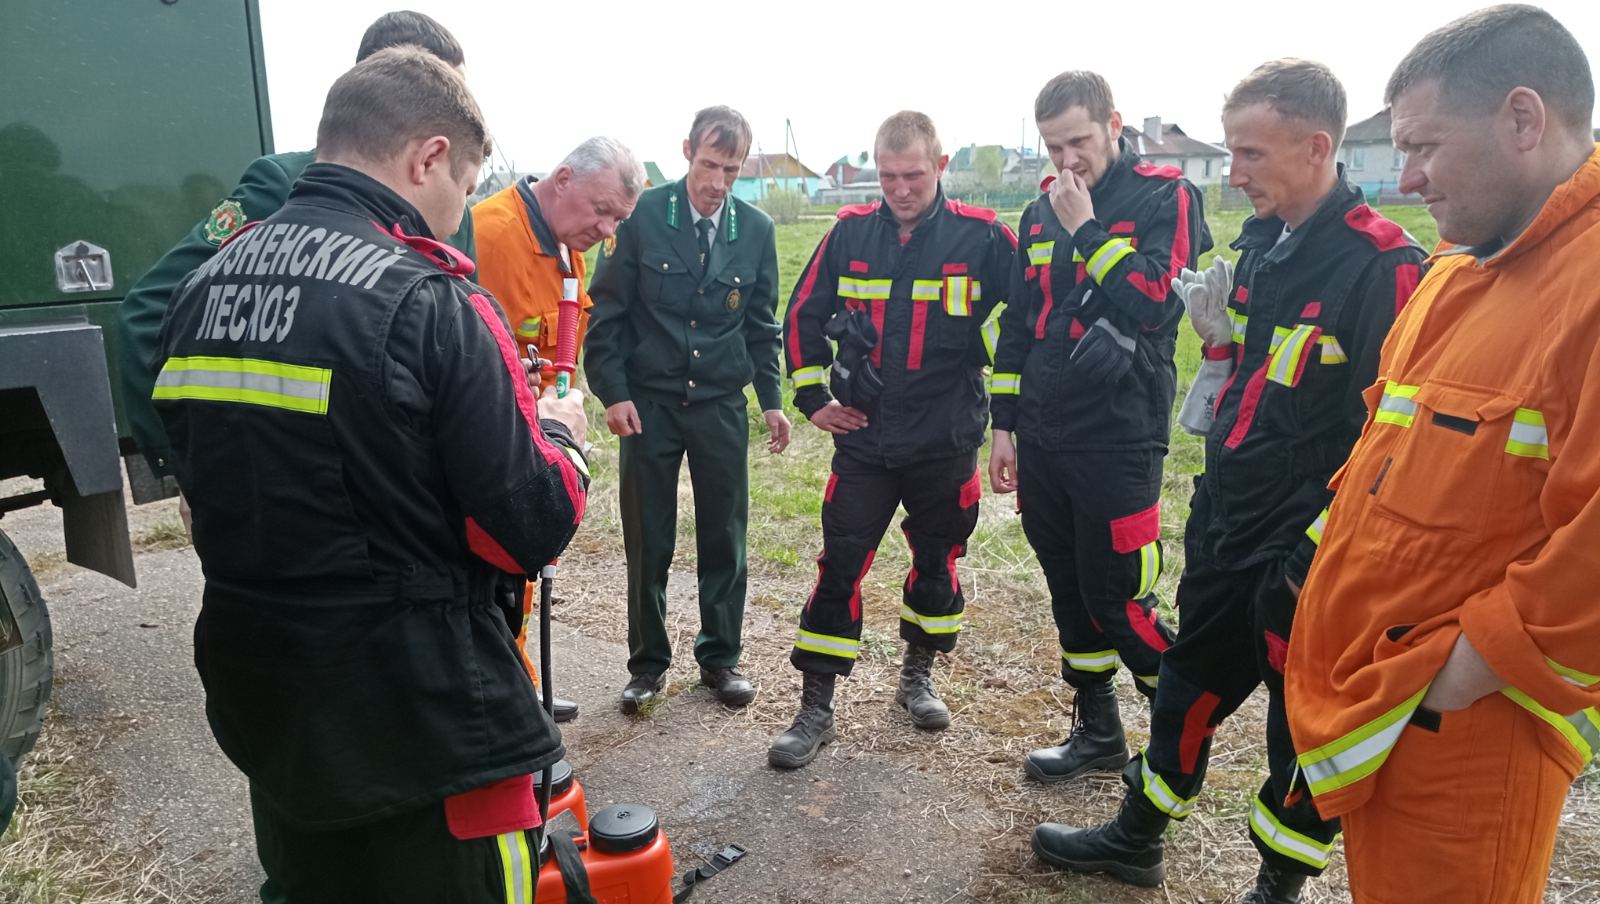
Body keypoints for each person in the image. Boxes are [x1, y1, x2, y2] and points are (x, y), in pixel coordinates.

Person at [151, 47, 590, 902]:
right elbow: (527, 527)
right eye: (465, 187)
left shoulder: (200, 289)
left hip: (270, 701)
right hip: (425, 720)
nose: (457, 216)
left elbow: (200, 483)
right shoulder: (432, 299)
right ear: (430, 157)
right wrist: (559, 436)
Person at [1031, 60, 1424, 904]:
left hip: (1306, 545)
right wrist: (1217, 351)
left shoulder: (1381, 266)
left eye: (1250, 154)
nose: (1234, 173)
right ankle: (1138, 835)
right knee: (1186, 686)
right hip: (1229, 515)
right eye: (1232, 152)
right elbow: (1248, 378)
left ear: (1316, 147)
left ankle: (1278, 883)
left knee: (1298, 726)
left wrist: (1316, 552)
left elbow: (1392, 443)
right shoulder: (1259, 247)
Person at [1285, 7, 1600, 903]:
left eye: (1424, 146)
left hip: (1466, 735)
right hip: (1384, 706)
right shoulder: (1461, 269)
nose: (1407, 177)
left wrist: (1452, 680)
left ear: (1523, 119)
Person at [119, 10, 476, 480]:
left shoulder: (458, 205)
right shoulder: (285, 184)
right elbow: (150, 310)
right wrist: (184, 463)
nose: (460, 110)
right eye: (441, 87)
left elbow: (461, 336)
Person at [769, 111, 1017, 768]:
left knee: (937, 563)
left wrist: (1007, 416)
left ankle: (917, 676)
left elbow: (1026, 322)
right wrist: (813, 399)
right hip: (866, 440)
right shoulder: (849, 234)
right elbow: (802, 316)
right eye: (887, 177)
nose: (900, 190)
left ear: (940, 166)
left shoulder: (984, 238)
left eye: (914, 176)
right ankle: (816, 707)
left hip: (946, 440)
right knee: (839, 566)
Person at [988, 72, 1210, 783]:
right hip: (1044, 431)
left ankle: (1177, 744)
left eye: (1078, 142)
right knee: (1070, 590)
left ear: (1114, 123)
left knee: (1119, 596)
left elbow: (1159, 299)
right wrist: (1003, 427)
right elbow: (1020, 324)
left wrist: (1086, 228)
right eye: (1053, 147)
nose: (1067, 161)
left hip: (1120, 435)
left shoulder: (1167, 196)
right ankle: (1098, 733)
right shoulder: (1036, 212)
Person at [585, 106, 790, 714]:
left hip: (719, 405)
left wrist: (772, 402)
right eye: (708, 164)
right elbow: (607, 313)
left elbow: (761, 326)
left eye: (731, 169)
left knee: (725, 535)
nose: (717, 182)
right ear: (686, 152)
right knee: (648, 537)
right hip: (648, 404)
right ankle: (647, 665)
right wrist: (613, 392)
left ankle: (721, 658)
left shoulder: (756, 230)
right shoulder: (644, 216)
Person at [474, 136, 644, 722]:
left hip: (540, 442)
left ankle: (522, 686)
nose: (606, 229)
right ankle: (508, 701)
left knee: (521, 577)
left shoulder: (568, 250)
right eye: (601, 210)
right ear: (564, 178)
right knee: (492, 581)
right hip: (492, 444)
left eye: (617, 220)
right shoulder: (490, 235)